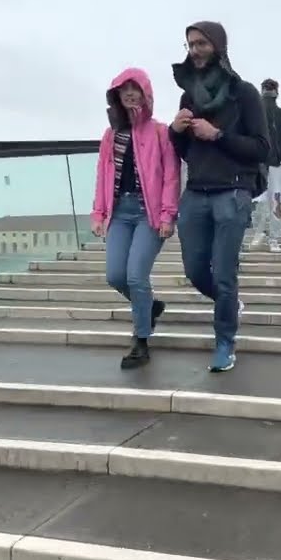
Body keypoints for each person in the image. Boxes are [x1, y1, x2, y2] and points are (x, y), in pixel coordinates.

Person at [169, 21, 269, 373]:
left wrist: (219, 135)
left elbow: (261, 149)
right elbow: (183, 151)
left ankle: (225, 341)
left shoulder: (244, 93)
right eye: (190, 44)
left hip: (233, 191)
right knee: (195, 270)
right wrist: (175, 131)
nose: (194, 50)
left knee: (224, 274)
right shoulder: (188, 95)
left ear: (218, 46)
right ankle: (230, 304)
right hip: (196, 192)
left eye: (200, 43)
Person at [91, 68, 179, 370]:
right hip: (120, 213)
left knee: (135, 276)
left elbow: (170, 176)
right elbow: (102, 175)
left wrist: (168, 214)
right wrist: (99, 213)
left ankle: (141, 340)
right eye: (123, 88)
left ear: (145, 92)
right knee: (115, 275)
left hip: (148, 213)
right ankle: (150, 306)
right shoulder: (110, 135)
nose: (129, 93)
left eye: (135, 88)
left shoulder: (160, 132)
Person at [250, 78, 281, 253]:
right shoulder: (253, 113)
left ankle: (274, 238)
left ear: (277, 91)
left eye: (271, 88)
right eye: (266, 88)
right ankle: (260, 232)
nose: (268, 92)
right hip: (257, 164)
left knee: (275, 202)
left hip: (277, 164)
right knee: (257, 202)